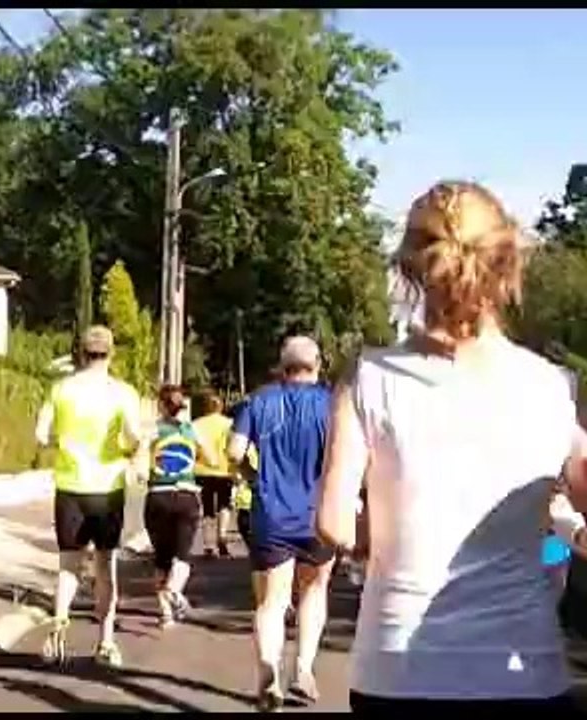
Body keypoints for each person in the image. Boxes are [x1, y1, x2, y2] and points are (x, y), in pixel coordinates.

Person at [316, 180, 587, 713]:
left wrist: (383, 538)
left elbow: (332, 523)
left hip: (397, 672)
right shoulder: (552, 386)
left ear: (411, 268)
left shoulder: (368, 378)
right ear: (507, 263)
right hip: (522, 674)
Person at [229, 335, 334, 711]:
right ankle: (303, 668)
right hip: (318, 515)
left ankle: (269, 673)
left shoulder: (259, 401)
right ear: (317, 365)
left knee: (271, 602)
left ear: (282, 366)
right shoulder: (331, 404)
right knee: (314, 590)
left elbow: (234, 452)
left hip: (271, 514)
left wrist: (252, 476)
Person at [34, 325, 143, 669]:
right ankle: (106, 641)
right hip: (107, 489)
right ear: (111, 354)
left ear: (81, 353)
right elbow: (134, 436)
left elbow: (40, 435)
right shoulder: (122, 392)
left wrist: (64, 445)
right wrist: (127, 451)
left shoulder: (61, 389)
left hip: (69, 486)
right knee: (104, 566)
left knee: (68, 565)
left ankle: (59, 624)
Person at [145, 384, 214, 629]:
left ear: (160, 405)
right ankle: (174, 590)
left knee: (161, 559)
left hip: (158, 496)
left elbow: (138, 453)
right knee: (182, 556)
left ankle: (166, 614)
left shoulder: (154, 430)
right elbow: (211, 459)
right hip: (186, 496)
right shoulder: (191, 430)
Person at [192, 392, 237, 559]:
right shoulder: (230, 424)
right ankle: (222, 536)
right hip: (225, 470)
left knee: (207, 507)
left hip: (202, 470)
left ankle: (208, 544)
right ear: (221, 407)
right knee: (225, 505)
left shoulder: (196, 425)